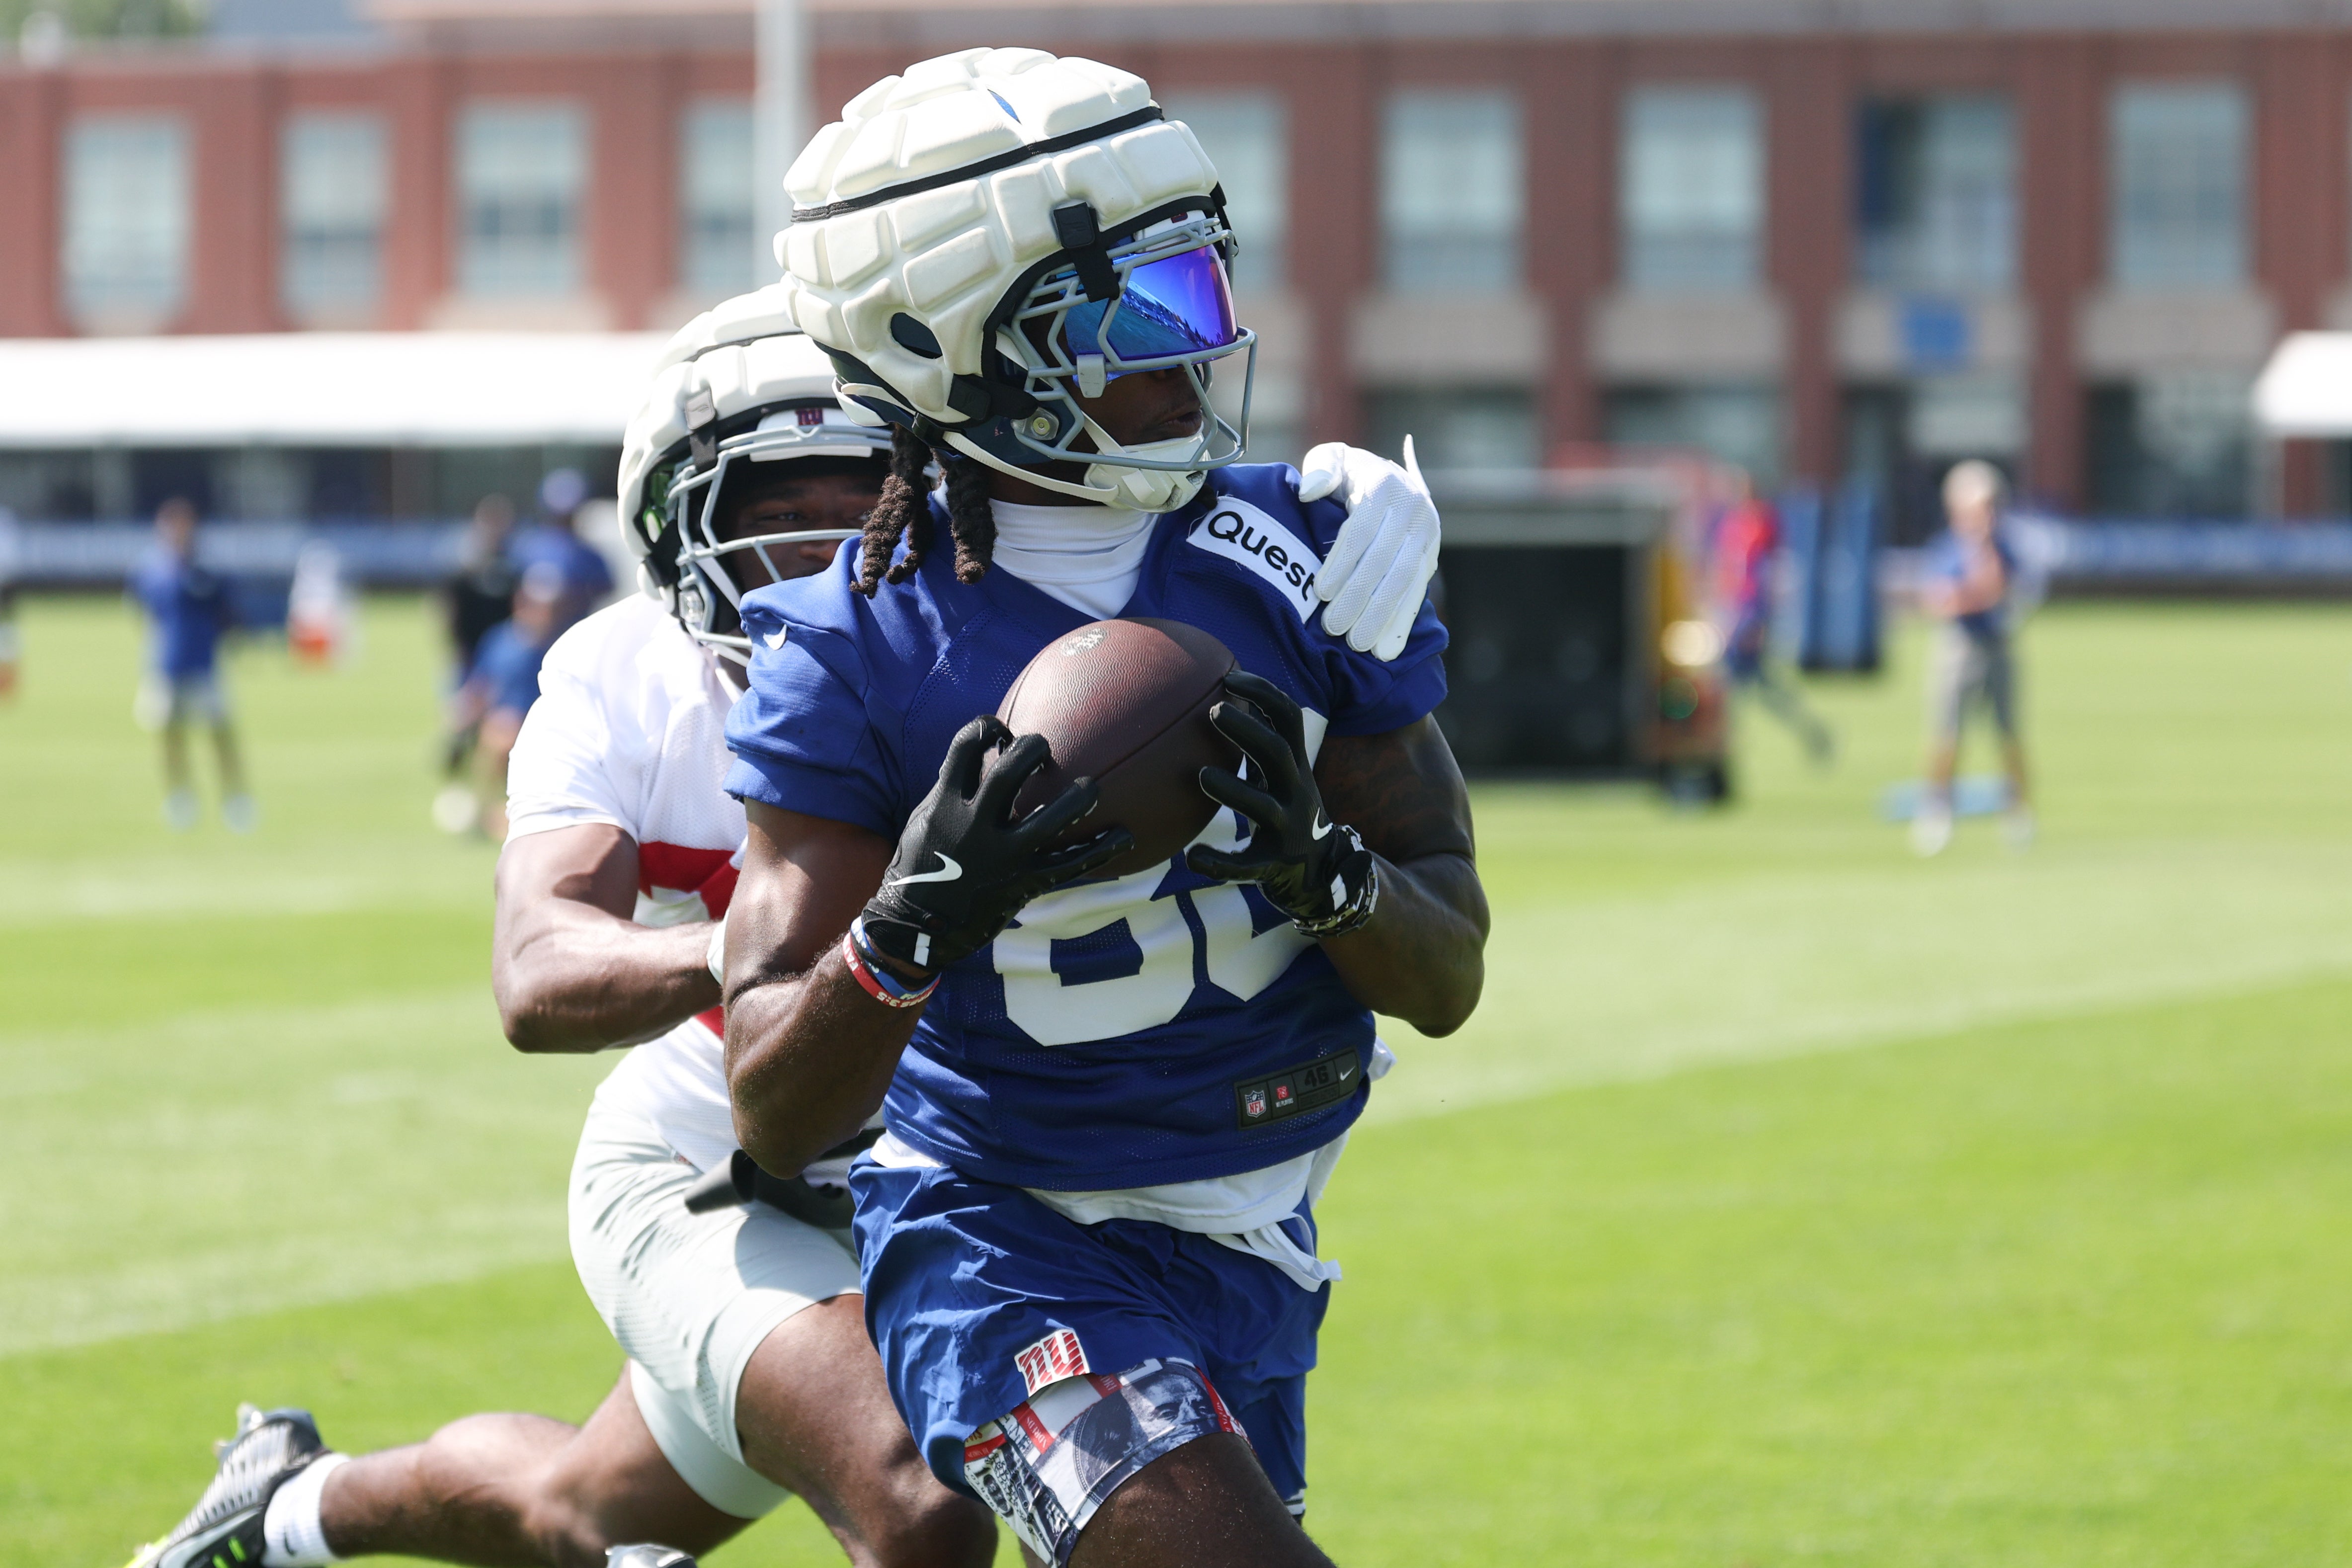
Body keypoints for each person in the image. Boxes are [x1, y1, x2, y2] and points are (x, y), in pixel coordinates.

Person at [123, 280, 1443, 1568]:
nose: (819, 555)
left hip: (973, 1169)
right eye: (768, 512)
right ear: (674, 528)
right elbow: (535, 972)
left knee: (578, 1514)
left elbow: (1176, 553)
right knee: (916, 1507)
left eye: (856, 502)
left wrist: (1351, 503)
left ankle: (293, 1504)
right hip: (724, 1156)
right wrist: (808, 955)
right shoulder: (626, 677)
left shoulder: (964, 656)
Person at [720, 51, 1487, 1568]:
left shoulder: (1305, 553)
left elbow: (1448, 968)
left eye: (1202, 286)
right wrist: (911, 922)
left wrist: (1319, 871)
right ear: (950, 353)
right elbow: (772, 1103)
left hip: (1255, 1231)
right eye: (1139, 312)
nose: (1198, 346)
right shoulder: (852, 645)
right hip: (1001, 1239)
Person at [1912, 458, 2030, 856]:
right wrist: (1969, 595)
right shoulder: (1946, 548)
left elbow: (1997, 589)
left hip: (1996, 645)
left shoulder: (2002, 548)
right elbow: (1938, 601)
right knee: (1946, 735)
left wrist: (1977, 571)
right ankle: (1936, 811)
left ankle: (2018, 812)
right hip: (1959, 647)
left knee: (2008, 734)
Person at [130, 496, 253, 832]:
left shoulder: (209, 569)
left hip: (205, 665)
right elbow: (146, 614)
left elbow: (231, 614)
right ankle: (180, 797)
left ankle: (236, 798)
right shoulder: (152, 570)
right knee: (171, 737)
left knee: (221, 734)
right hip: (166, 666)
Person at [1713, 470, 1831, 762]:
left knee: (1727, 684)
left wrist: (1760, 621)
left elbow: (1769, 572)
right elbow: (1725, 569)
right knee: (1758, 688)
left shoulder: (1763, 521)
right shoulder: (1731, 523)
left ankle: (1723, 743)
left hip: (1752, 612)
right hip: (1734, 611)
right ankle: (1811, 732)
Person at [449, 563, 566, 841]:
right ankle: (487, 812)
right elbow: (482, 684)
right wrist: (462, 716)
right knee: (500, 738)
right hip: (503, 723)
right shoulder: (501, 639)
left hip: (544, 728)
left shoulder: (562, 645)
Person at [511, 468, 615, 635]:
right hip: (530, 636)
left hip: (574, 634)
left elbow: (606, 589)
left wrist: (574, 599)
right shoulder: (527, 545)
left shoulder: (588, 554)